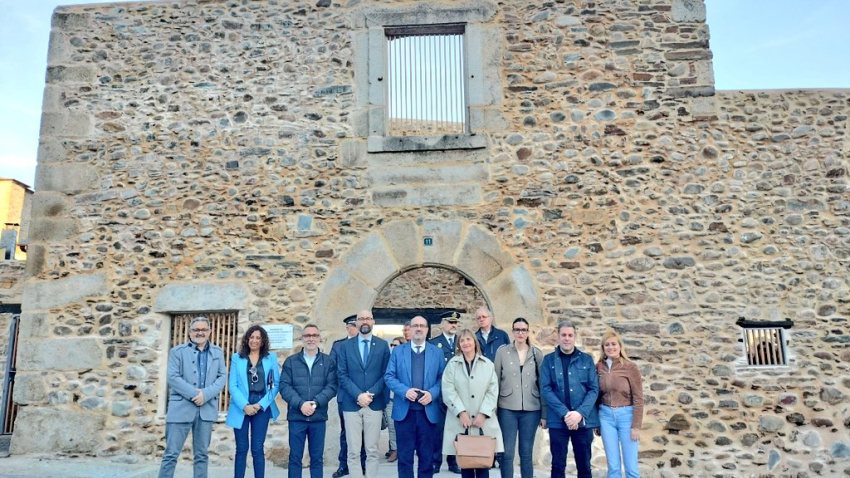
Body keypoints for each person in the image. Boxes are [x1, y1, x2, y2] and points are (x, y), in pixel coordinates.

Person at [158, 316, 227, 478]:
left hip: (206, 410)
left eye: (203, 330)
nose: (200, 333)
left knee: (202, 455)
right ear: (190, 332)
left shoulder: (218, 352)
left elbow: (222, 377)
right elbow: (173, 378)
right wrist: (196, 394)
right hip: (180, 409)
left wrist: (206, 394)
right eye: (196, 330)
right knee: (171, 454)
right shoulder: (177, 352)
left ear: (209, 332)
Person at [385, 316, 447, 478]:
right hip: (404, 413)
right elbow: (389, 377)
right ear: (410, 330)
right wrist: (405, 391)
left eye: (422, 326)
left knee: (427, 459)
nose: (418, 329)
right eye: (415, 326)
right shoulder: (398, 351)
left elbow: (443, 378)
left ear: (427, 330)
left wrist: (432, 394)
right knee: (405, 458)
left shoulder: (437, 352)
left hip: (428, 414)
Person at [540, 321, 599, 478]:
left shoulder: (586, 360)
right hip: (558, 421)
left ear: (575, 337)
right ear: (558, 337)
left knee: (584, 465)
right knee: (558, 466)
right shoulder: (548, 360)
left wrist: (579, 413)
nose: (567, 338)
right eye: (563, 335)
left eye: (570, 335)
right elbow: (546, 389)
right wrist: (565, 413)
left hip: (583, 421)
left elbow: (594, 389)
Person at [442, 329, 503, 478]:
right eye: (462, 340)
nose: (465, 343)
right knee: (466, 464)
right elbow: (448, 389)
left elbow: (492, 390)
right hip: (461, 422)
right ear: (459, 345)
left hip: (483, 423)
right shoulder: (452, 365)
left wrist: (483, 413)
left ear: (475, 342)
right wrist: (461, 412)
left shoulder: (487, 364)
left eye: (468, 339)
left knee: (483, 464)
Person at [337, 310, 391, 478]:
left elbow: (386, 374)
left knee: (372, 450)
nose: (365, 321)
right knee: (353, 451)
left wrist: (370, 394)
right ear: (357, 323)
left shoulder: (382, 345)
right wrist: (358, 395)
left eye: (368, 318)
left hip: (373, 405)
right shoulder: (345, 346)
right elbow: (342, 374)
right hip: (351, 404)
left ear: (373, 321)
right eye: (361, 319)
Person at [280, 324, 339, 478]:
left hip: (318, 417)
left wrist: (315, 403)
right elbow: (285, 386)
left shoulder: (328, 362)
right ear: (302, 339)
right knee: (295, 459)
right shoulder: (291, 361)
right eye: (307, 335)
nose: (311, 338)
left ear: (319, 338)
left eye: (314, 335)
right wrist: (301, 404)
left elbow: (332, 386)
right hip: (297, 417)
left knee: (317, 459)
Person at [225, 325, 281, 478]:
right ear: (247, 339)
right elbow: (233, 386)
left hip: (262, 405)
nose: (254, 340)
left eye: (258, 338)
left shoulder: (271, 358)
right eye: (251, 337)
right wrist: (245, 405)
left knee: (257, 448)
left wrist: (260, 404)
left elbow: (275, 385)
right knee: (242, 448)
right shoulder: (237, 358)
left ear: (263, 341)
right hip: (241, 405)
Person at [493, 318, 546, 478]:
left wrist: (544, 414)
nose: (520, 333)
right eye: (517, 330)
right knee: (507, 453)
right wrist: (493, 410)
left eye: (523, 330)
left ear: (528, 332)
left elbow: (543, 385)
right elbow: (495, 381)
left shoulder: (537, 354)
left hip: (531, 409)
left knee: (526, 453)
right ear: (513, 332)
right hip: (507, 408)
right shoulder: (502, 352)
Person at [596, 330, 643, 478]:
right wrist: (596, 422)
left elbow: (638, 398)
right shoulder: (598, 367)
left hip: (626, 417)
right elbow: (595, 394)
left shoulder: (630, 367)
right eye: (607, 345)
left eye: (613, 344)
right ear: (603, 348)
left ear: (620, 346)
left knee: (631, 468)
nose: (611, 347)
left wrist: (636, 425)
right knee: (613, 467)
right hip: (606, 417)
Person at [330, 315, 365, 478]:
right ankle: (344, 464)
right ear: (348, 327)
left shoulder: (367, 344)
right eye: (353, 325)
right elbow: (334, 370)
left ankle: (363, 464)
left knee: (365, 432)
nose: (356, 328)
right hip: (346, 396)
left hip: (365, 396)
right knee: (346, 432)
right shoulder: (338, 346)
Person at [430, 311, 462, 474]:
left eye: (455, 323)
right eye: (450, 322)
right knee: (438, 429)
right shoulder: (434, 344)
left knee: (456, 429)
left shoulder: (462, 342)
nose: (453, 325)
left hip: (458, 394)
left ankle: (454, 461)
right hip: (439, 394)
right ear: (442, 324)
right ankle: (436, 461)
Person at [384, 337, 405, 463]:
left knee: (403, 426)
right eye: (392, 345)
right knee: (391, 426)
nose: (393, 347)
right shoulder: (388, 360)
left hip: (402, 399)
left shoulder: (406, 360)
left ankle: (404, 449)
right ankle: (394, 449)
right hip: (389, 399)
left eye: (396, 345)